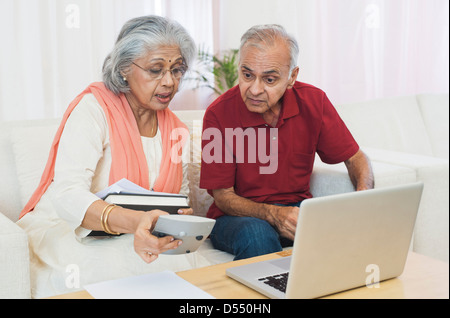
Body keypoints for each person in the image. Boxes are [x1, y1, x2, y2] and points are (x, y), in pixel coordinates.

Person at [17, 15, 210, 298]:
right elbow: (67, 193)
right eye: (156, 70)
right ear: (123, 69)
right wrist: (133, 222)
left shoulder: (175, 129)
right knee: (124, 260)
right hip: (72, 228)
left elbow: (175, 198)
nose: (169, 81)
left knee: (181, 263)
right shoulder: (93, 109)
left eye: (178, 70)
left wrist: (176, 220)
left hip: (137, 233)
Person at [200, 24, 374, 260]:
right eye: (247, 75)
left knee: (343, 230)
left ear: (292, 77)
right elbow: (223, 197)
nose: (255, 89)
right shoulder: (218, 113)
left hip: (296, 209)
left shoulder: (314, 101)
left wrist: (364, 198)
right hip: (236, 218)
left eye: (269, 79)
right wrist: (273, 214)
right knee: (257, 234)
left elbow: (355, 158)